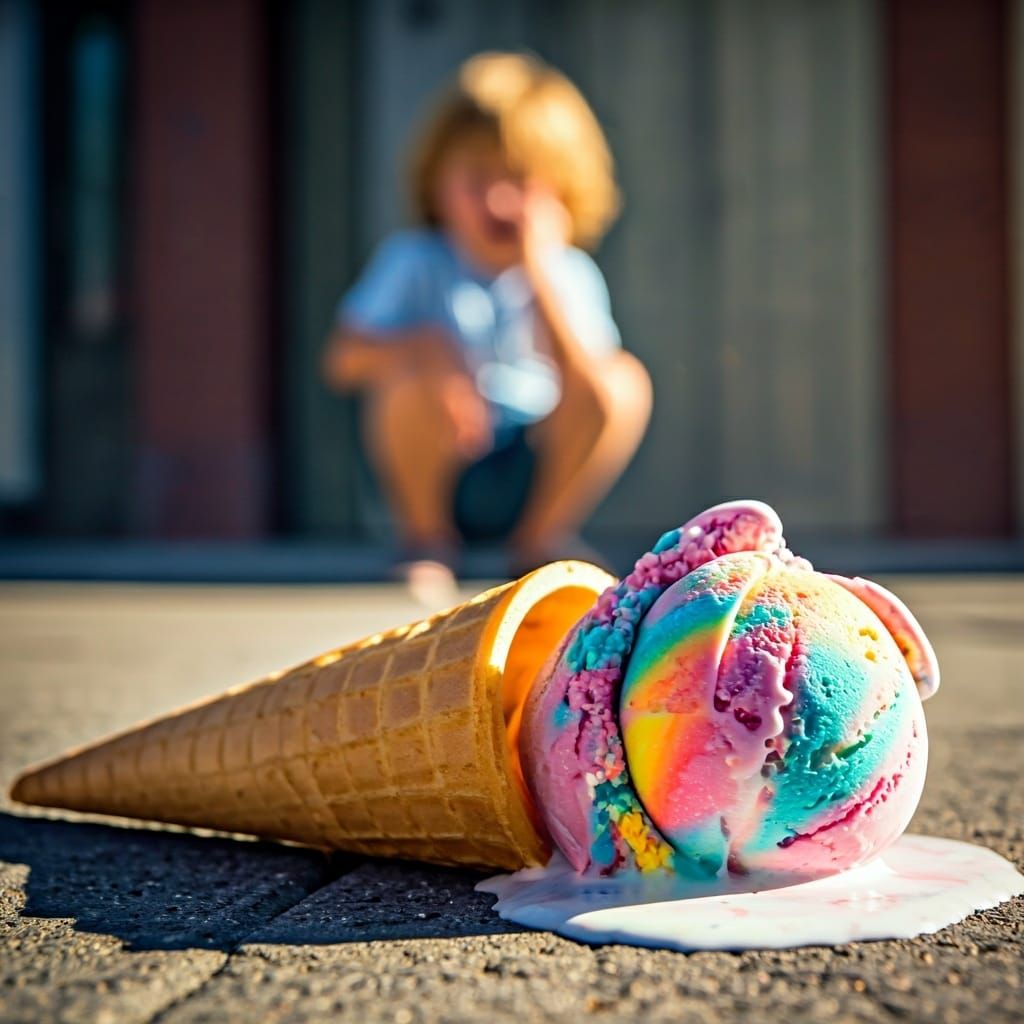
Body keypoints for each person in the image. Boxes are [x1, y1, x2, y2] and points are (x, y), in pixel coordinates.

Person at [323, 51, 651, 589]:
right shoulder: (416, 260)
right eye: (477, 179)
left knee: (624, 381)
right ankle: (426, 539)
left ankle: (539, 539)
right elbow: (343, 360)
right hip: (446, 464)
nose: (499, 200)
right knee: (401, 384)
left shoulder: (568, 271)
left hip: (531, 466)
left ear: (562, 191)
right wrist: (425, 350)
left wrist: (541, 273)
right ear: (437, 183)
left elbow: (591, 391)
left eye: (520, 181)